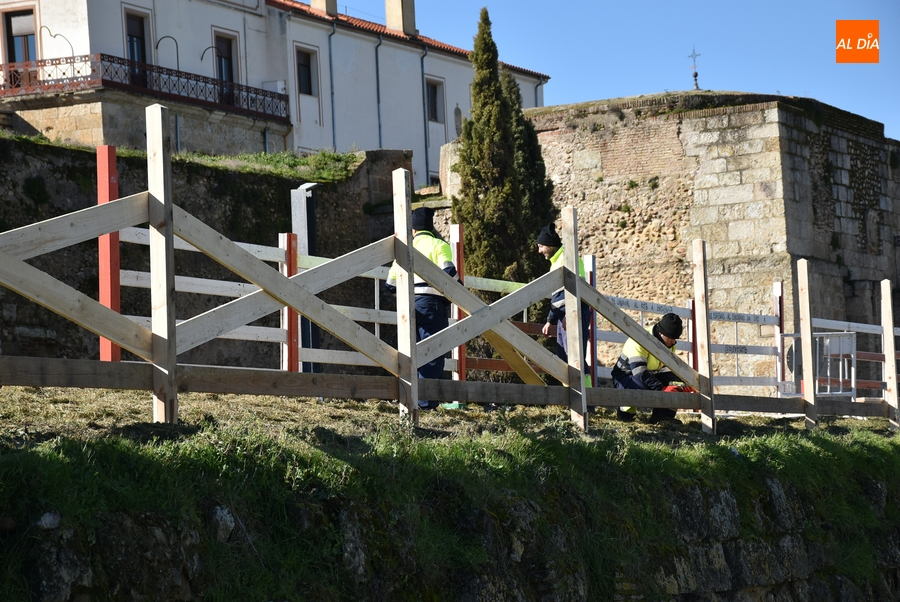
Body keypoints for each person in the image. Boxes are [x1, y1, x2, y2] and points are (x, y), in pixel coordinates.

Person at [385, 207, 458, 411]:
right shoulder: (439, 245)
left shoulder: (404, 248)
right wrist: (462, 294)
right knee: (432, 352)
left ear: (414, 230)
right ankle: (426, 404)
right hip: (432, 306)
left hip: (408, 308)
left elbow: (390, 284)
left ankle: (410, 400)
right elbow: (449, 273)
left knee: (409, 353)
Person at [537, 222, 593, 389]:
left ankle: (585, 399)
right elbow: (560, 296)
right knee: (563, 358)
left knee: (575, 358)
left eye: (541, 246)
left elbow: (568, 293)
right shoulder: (558, 260)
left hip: (575, 313)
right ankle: (572, 397)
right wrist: (554, 319)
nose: (539, 251)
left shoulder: (568, 259)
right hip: (566, 314)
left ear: (550, 245)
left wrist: (553, 319)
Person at [611, 312, 686, 423]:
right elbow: (639, 372)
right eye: (671, 338)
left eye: (675, 338)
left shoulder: (670, 343)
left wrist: (681, 384)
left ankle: (662, 417)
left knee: (675, 385)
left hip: (652, 373)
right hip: (626, 375)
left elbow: (666, 369)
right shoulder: (639, 339)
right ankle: (625, 414)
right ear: (661, 334)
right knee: (639, 386)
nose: (674, 342)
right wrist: (662, 389)